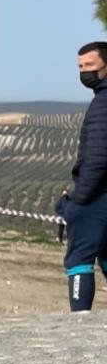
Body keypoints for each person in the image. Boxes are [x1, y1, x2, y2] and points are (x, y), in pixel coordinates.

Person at [61, 41, 107, 311]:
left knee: (80, 258)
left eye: (90, 65)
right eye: (80, 67)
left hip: (97, 195)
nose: (84, 72)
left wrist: (78, 199)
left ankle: (80, 322)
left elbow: (99, 157)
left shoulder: (103, 103)